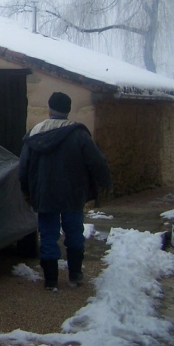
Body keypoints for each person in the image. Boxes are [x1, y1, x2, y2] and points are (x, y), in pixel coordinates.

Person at [19, 91, 112, 291]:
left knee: (48, 235)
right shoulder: (78, 134)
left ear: (49, 109)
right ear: (68, 110)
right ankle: (75, 275)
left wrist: (27, 192)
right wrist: (105, 184)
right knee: (74, 232)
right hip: (73, 194)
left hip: (45, 194)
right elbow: (97, 162)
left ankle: (51, 280)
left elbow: (23, 167)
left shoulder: (34, 134)